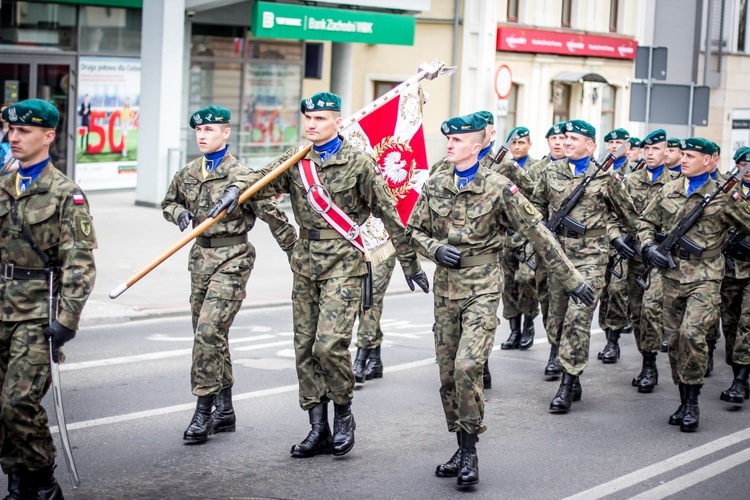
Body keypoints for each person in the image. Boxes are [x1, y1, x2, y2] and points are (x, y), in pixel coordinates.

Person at [208, 92, 429, 458]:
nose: (312, 124)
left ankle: (343, 414)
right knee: (304, 348)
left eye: (321, 119)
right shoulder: (296, 159)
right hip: (306, 262)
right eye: (308, 118)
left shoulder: (359, 163)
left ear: (337, 122)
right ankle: (317, 427)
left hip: (344, 262)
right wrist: (236, 188)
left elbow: (390, 214)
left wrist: (409, 263)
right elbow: (259, 179)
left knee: (329, 346)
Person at [407, 113, 594, 487]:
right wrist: (434, 249)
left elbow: (538, 234)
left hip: (482, 288)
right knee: (447, 376)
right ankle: (460, 444)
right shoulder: (437, 181)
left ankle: (471, 452)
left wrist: (572, 280)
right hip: (446, 290)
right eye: (449, 140)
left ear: (476, 146)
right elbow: (413, 229)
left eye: (458, 141)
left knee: (467, 367)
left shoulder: (499, 187)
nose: (449, 145)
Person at [161, 105, 297, 443]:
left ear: (226, 134)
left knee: (208, 333)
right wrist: (178, 213)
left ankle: (202, 412)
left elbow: (273, 215)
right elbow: (168, 202)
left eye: (211, 130)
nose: (203, 135)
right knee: (208, 336)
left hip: (234, 256)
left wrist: (296, 254)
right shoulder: (188, 172)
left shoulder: (243, 176)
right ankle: (225, 410)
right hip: (200, 257)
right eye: (199, 131)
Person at [0, 99, 97, 498]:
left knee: (17, 402)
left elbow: (80, 265)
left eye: (24, 131)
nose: (14, 137)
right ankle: (18, 481)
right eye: (11, 130)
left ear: (49, 136)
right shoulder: (3, 185)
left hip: (37, 312)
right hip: (2, 305)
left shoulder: (65, 194)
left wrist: (67, 320)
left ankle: (43, 480)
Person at [637, 137, 750, 431]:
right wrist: (648, 247)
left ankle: (692, 403)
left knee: (692, 334)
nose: (683, 159)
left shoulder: (726, 195)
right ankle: (682, 396)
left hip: (706, 276)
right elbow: (645, 222)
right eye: (683, 155)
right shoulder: (670, 189)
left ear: (711, 160)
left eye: (691, 156)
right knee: (674, 340)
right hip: (672, 274)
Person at [530, 119, 635, 412]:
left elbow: (629, 216)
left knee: (578, 318)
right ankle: (570, 370)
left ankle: (566, 382)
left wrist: (625, 241)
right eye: (565, 138)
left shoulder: (606, 178)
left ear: (590, 145)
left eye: (574, 139)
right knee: (556, 318)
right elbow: (537, 206)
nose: (566, 142)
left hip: (591, 257)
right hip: (557, 255)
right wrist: (540, 229)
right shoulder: (550, 171)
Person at [615, 129, 673, 393]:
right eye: (647, 149)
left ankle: (651, 366)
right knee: (638, 313)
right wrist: (616, 238)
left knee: (651, 310)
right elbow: (613, 217)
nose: (650, 154)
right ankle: (646, 360)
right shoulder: (629, 181)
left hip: (662, 261)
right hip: (635, 258)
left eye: (656, 149)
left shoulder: (677, 182)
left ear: (666, 152)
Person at [497, 127, 541, 353]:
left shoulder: (536, 168)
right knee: (508, 283)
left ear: (529, 144)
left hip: (526, 234)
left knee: (526, 279)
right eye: (513, 143)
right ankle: (514, 329)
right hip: (506, 233)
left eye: (521, 143)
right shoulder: (501, 167)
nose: (517, 147)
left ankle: (528, 325)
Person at [597, 128, 635, 364]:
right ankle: (606, 332)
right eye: (610, 142)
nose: (614, 146)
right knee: (602, 292)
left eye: (619, 142)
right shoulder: (598, 170)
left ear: (628, 146)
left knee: (617, 290)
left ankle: (613, 341)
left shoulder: (635, 173)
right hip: (599, 242)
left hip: (623, 241)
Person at [719, 146, 750, 407]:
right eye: (743, 164)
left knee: (747, 324)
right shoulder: (726, 192)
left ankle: (739, 381)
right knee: (729, 322)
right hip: (729, 267)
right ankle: (739, 371)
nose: (748, 169)